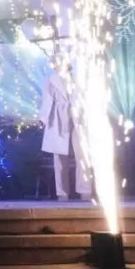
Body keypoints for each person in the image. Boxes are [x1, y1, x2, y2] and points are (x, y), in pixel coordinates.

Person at [39, 64, 91, 202]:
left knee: (83, 154)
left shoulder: (77, 77)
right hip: (58, 117)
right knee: (60, 157)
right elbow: (47, 98)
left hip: (78, 117)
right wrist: (43, 118)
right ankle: (62, 192)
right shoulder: (51, 78)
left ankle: (85, 190)